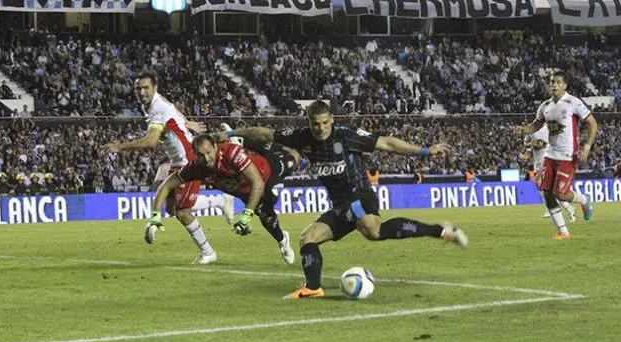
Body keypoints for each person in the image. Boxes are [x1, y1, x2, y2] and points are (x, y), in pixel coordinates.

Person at [216, 100, 468, 299]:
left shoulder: (346, 135)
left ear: (332, 120)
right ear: (309, 122)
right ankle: (313, 287)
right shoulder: (302, 137)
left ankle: (440, 231)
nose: (321, 128)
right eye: (316, 124)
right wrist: (233, 133)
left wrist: (425, 151)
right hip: (339, 204)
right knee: (308, 238)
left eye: (325, 123)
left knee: (372, 230)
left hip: (359, 193)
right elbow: (264, 133)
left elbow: (388, 144)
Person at [102, 72, 219, 264]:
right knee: (172, 208)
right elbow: (172, 111)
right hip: (177, 160)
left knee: (183, 212)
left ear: (155, 87)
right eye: (138, 88)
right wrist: (186, 123)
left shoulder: (157, 107)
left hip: (188, 159)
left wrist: (120, 146)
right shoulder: (155, 103)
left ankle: (208, 252)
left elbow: (150, 142)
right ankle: (220, 201)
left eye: (146, 87)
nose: (142, 91)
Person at [147, 134, 298, 265]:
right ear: (194, 154)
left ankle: (274, 145)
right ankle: (282, 239)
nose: (206, 159)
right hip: (246, 192)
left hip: (267, 172)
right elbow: (166, 185)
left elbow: (257, 182)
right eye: (200, 155)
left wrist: (246, 215)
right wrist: (155, 216)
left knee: (291, 161)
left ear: (215, 146)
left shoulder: (231, 153)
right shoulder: (196, 168)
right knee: (268, 220)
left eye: (208, 152)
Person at [517, 70, 597, 240]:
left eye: (558, 82)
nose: (554, 85)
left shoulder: (573, 103)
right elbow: (537, 124)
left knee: (560, 194)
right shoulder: (545, 106)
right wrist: (525, 129)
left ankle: (584, 200)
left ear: (565, 85)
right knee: (546, 192)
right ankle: (563, 232)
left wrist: (587, 147)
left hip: (567, 156)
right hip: (550, 155)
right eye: (552, 82)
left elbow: (592, 123)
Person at [519, 124, 576, 221]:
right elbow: (528, 150)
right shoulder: (531, 133)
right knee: (546, 190)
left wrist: (534, 144)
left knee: (547, 189)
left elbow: (543, 144)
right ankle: (569, 209)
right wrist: (524, 156)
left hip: (548, 162)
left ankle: (555, 209)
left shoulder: (548, 128)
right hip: (538, 164)